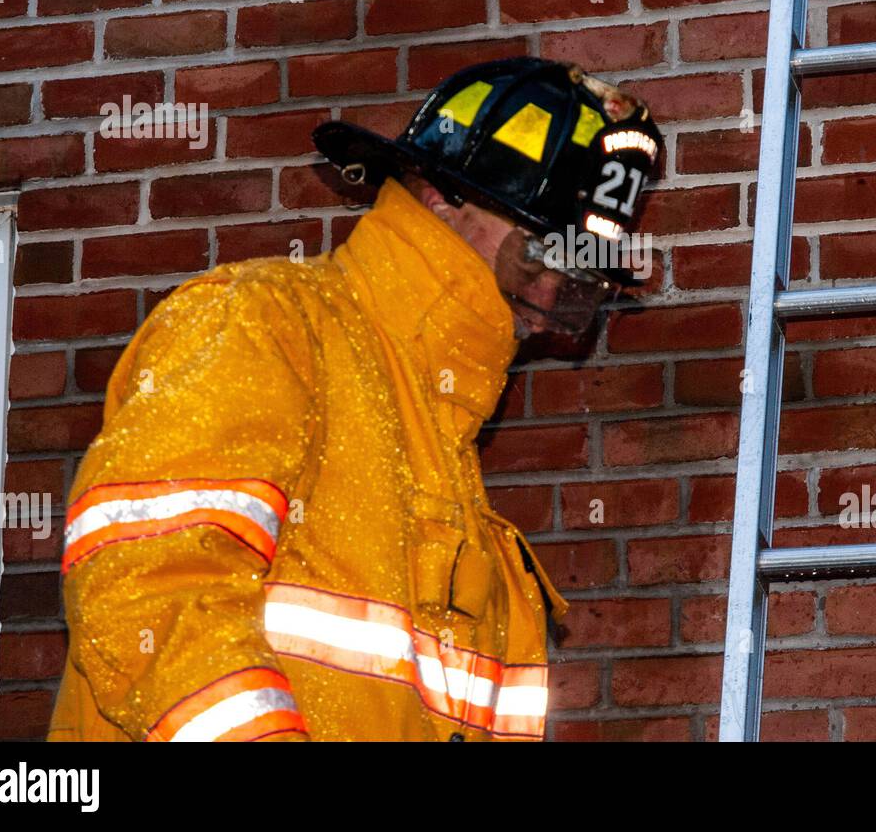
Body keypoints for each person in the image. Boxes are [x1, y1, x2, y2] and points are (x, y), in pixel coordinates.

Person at [47, 57, 663, 742]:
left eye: (578, 284)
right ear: (435, 193)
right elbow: (150, 592)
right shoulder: (263, 326)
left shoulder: (466, 505)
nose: (549, 301)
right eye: (541, 256)